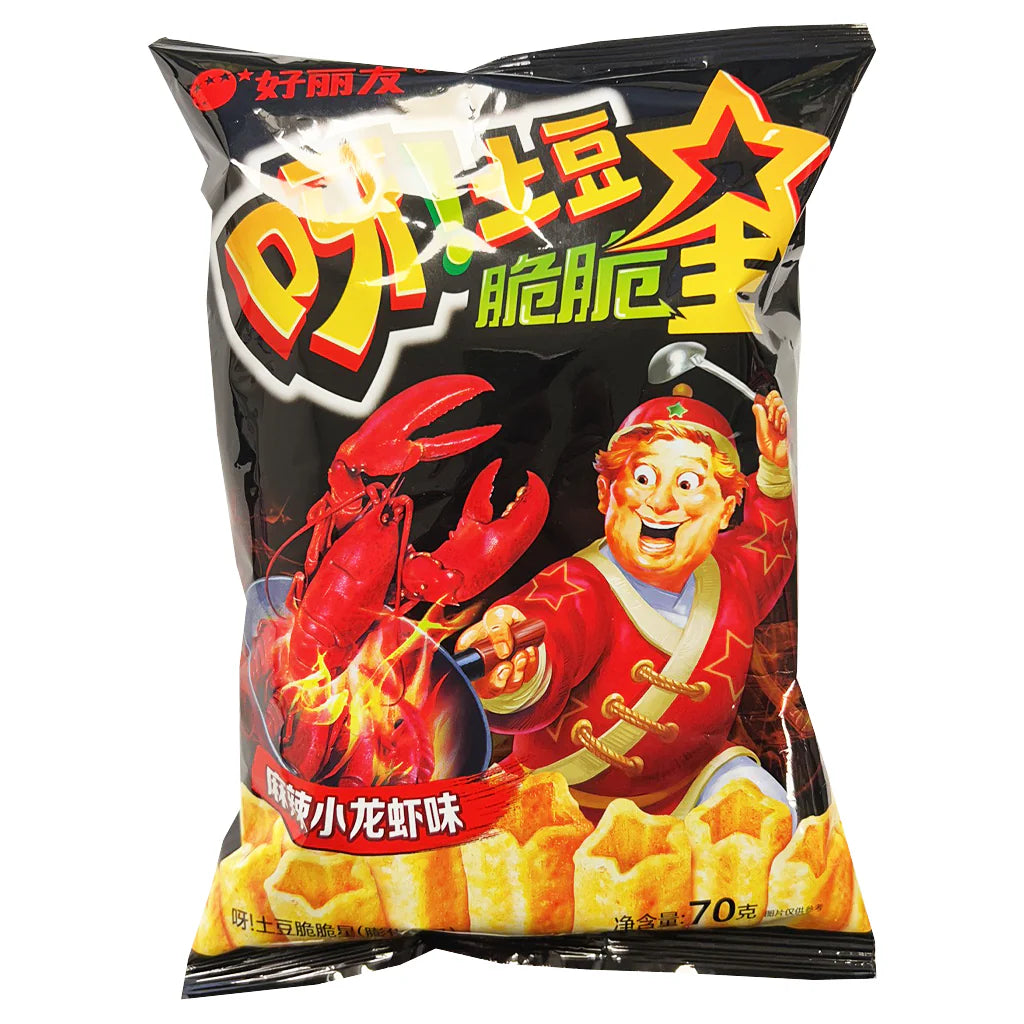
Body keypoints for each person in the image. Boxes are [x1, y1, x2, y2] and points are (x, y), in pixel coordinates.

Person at [456, 383, 797, 822]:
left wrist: (775, 470)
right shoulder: (578, 583)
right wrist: (515, 674)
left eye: (688, 483)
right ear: (606, 492)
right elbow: (553, 623)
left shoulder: (734, 576)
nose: (660, 502)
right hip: (566, 805)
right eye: (643, 478)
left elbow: (769, 540)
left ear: (726, 509)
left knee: (774, 815)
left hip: (694, 785)